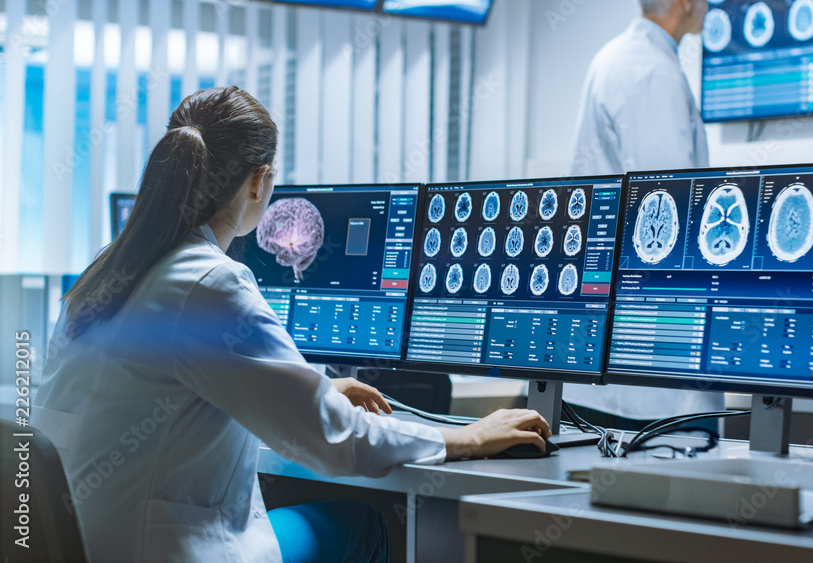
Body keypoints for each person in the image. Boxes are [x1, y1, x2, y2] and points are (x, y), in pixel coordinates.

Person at [33, 86, 551, 562]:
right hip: (165, 548)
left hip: (92, 541)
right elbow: (336, 438)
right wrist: (465, 437)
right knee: (366, 526)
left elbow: (168, 385)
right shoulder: (211, 282)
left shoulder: (108, 269)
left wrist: (314, 388)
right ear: (259, 182)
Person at [563, 0, 723, 428]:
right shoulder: (654, 73)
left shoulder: (614, 57)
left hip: (608, 349)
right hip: (649, 373)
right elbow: (672, 210)